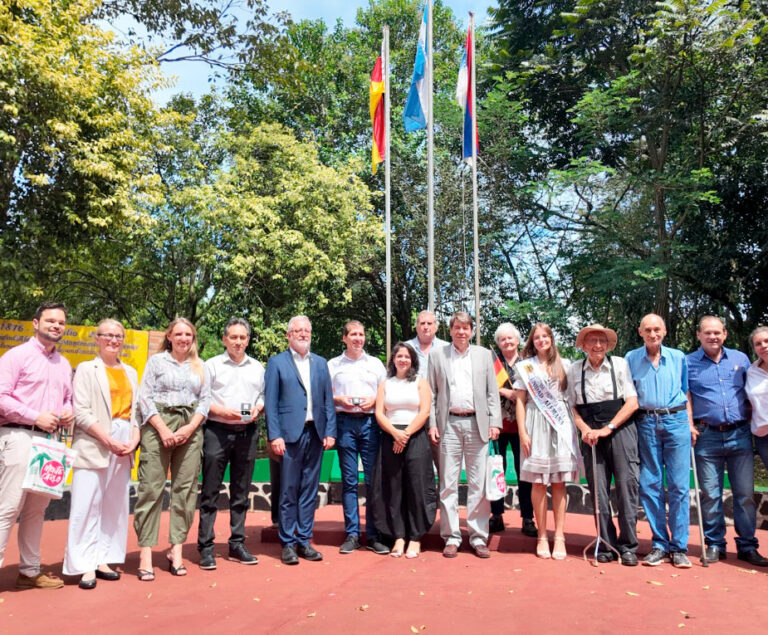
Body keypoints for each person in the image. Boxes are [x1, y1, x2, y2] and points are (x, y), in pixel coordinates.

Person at [0, 302, 74, 589]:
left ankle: (29, 571)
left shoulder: (63, 363)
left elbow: (67, 398)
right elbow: (2, 396)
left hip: (51, 443)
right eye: (50, 321)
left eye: (61, 322)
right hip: (19, 436)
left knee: (36, 510)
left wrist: (68, 411)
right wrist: (35, 416)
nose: (56, 326)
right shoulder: (15, 356)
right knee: (7, 508)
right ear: (35, 323)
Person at [63, 319, 140, 589]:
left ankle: (104, 558)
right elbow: (81, 411)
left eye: (118, 336)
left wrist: (133, 440)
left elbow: (136, 413)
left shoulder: (130, 372)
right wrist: (107, 439)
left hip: (123, 443)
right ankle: (84, 565)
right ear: (97, 338)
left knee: (114, 505)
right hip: (95, 441)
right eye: (108, 335)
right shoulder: (86, 369)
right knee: (86, 503)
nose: (113, 340)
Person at [134, 317, 211, 580]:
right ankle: (145, 551)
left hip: (190, 426)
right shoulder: (157, 362)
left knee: (185, 490)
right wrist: (163, 429)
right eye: (178, 334)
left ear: (193, 338)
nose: (183, 338)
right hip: (158, 424)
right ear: (169, 336)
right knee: (151, 488)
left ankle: (176, 550)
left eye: (188, 334)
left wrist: (189, 428)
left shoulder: (200, 365)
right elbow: (144, 397)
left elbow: (205, 401)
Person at [688, 317, 768, 566]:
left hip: (739, 435)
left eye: (717, 332)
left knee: (744, 494)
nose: (713, 337)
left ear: (725, 334)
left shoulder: (741, 360)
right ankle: (715, 544)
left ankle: (747, 546)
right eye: (707, 333)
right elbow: (686, 396)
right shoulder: (688, 363)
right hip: (706, 436)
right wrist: (689, 425)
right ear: (699, 335)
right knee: (710, 494)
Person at [428, 311, 501, 558]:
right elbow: (432, 393)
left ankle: (479, 537)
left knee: (478, 484)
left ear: (472, 330)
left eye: (466, 328)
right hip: (448, 424)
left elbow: (492, 392)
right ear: (450, 330)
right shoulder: (438, 355)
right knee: (447, 483)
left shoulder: (483, 355)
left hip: (477, 424)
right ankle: (451, 537)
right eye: (457, 328)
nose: (461, 332)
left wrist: (495, 422)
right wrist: (432, 423)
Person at [625, 313, 696, 569]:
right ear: (640, 332)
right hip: (645, 423)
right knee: (650, 484)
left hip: (676, 421)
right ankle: (659, 544)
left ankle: (679, 547)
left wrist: (690, 423)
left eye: (657, 329)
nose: (652, 334)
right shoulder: (630, 358)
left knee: (678, 486)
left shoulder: (678, 357)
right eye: (647, 330)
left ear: (664, 331)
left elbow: (685, 391)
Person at [265, 315, 336, 566]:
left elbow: (328, 400)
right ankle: (287, 543)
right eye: (298, 330)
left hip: (315, 433)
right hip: (289, 435)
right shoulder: (276, 363)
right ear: (288, 335)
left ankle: (304, 540)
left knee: (309, 490)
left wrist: (330, 431)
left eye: (307, 330)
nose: (303, 334)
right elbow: (270, 403)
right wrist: (274, 435)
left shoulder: (320, 363)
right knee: (288, 490)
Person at [567, 324, 639, 566]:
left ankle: (628, 545)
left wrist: (609, 427)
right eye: (592, 341)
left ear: (607, 345)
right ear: (584, 345)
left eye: (601, 341)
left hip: (619, 429)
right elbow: (571, 406)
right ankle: (605, 542)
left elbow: (631, 402)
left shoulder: (620, 365)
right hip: (590, 434)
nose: (597, 345)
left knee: (626, 486)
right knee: (598, 490)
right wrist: (585, 430)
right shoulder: (575, 370)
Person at [197, 318, 265, 570]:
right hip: (217, 431)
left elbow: (262, 395)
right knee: (210, 492)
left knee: (241, 492)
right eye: (234, 337)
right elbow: (202, 399)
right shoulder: (211, 365)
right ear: (224, 339)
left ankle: (237, 543)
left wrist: (258, 408)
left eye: (243, 337)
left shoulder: (257, 367)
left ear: (248, 339)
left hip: (247, 432)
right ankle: (206, 546)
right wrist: (223, 412)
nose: (238, 342)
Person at [514, 323, 579, 560]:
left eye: (545, 336)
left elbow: (572, 399)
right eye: (537, 337)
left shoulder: (566, 365)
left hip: (561, 424)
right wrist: (522, 431)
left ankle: (559, 535)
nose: (542, 340)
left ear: (552, 339)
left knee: (560, 482)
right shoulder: (525, 367)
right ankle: (542, 535)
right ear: (532, 341)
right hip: (534, 423)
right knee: (538, 483)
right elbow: (520, 401)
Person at [328, 321, 388, 555]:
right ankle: (352, 534)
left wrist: (374, 401)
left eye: (361, 334)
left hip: (370, 424)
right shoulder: (332, 365)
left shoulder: (375, 364)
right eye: (353, 334)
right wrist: (338, 400)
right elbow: (325, 396)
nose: (357, 338)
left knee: (373, 482)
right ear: (344, 338)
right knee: (350, 481)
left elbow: (385, 392)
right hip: (344, 424)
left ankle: (373, 535)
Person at [372, 342, 436, 558]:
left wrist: (406, 434)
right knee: (394, 487)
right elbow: (379, 413)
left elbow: (425, 411)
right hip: (390, 437)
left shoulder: (420, 382)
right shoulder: (385, 383)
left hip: (415, 436)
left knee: (416, 487)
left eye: (407, 357)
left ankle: (415, 538)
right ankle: (399, 536)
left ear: (413, 360)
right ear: (393, 359)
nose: (403, 360)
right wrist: (395, 434)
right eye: (399, 356)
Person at [489, 322, 536, 537]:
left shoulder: (528, 363)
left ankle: (528, 518)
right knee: (496, 471)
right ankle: (496, 515)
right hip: (497, 425)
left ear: (517, 340)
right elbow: (484, 387)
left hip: (522, 427)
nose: (507, 342)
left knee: (524, 473)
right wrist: (505, 392)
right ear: (498, 343)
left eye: (510, 338)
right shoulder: (492, 363)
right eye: (502, 339)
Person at [746, 325, 768, 471]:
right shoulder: (751, 371)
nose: (763, 346)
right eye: (758, 343)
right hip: (763, 435)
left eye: (767, 341)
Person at [407, 310, 448, 379]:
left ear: (436, 327)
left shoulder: (446, 348)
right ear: (416, 327)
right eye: (422, 323)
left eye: (429, 323)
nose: (426, 327)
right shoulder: (406, 347)